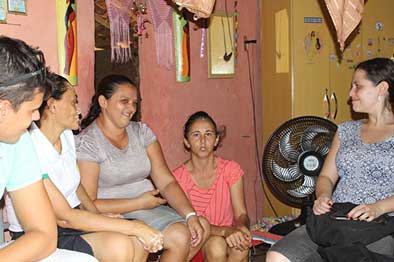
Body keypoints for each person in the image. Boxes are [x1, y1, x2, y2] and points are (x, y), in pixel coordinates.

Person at [6, 72, 164, 261]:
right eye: (73, 102)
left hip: (72, 221)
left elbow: (76, 186)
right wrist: (136, 227)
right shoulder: (30, 146)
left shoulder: (67, 137)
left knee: (137, 241)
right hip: (41, 230)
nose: (79, 110)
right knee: (120, 244)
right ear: (52, 105)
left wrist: (99, 216)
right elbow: (65, 216)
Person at [266, 57, 394, 262]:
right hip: (335, 220)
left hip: (380, 223)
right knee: (276, 256)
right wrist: (323, 197)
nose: (350, 94)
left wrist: (378, 207)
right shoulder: (346, 130)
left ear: (382, 88)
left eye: (357, 86)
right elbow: (326, 176)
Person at [76, 74, 210, 261]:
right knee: (181, 236)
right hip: (114, 213)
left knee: (201, 226)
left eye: (134, 102)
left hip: (147, 207)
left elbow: (166, 182)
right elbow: (89, 203)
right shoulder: (88, 142)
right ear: (103, 102)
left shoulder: (141, 132)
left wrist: (190, 215)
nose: (131, 108)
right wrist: (139, 203)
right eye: (124, 101)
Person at [0, 36, 96, 261]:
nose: (36, 118)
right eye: (32, 109)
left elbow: (43, 233)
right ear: (3, 108)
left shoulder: (18, 141)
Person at [173, 111, 252, 262]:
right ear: (187, 142)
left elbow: (241, 213)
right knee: (216, 245)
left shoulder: (231, 169)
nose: (203, 141)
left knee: (240, 246)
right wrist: (225, 231)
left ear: (216, 140)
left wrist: (241, 227)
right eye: (196, 135)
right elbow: (188, 224)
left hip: (228, 235)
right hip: (196, 241)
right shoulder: (178, 178)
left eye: (208, 134)